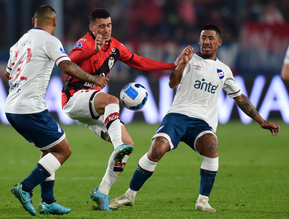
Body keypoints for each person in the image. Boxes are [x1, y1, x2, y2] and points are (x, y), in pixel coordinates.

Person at [109, 25, 280, 212]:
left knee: (212, 146)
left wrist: (261, 121)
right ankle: (129, 195)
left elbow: (240, 98)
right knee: (157, 149)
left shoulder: (224, 70)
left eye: (210, 38)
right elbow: (172, 83)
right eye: (203, 38)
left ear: (219, 42)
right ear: (199, 40)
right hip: (177, 116)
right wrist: (182, 62)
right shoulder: (188, 59)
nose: (206, 41)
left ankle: (203, 201)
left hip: (202, 123)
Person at [61, 8, 184, 211]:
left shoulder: (115, 46)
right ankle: (117, 145)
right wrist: (93, 50)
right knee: (112, 101)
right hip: (74, 98)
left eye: (109, 25)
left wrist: (172, 65)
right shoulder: (86, 42)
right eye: (101, 26)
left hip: (91, 105)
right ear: (91, 28)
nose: (106, 30)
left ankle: (102, 191)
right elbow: (69, 60)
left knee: (129, 143)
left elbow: (140, 62)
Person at [5, 5, 108, 216]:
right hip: (30, 108)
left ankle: (48, 201)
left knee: (48, 149)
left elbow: (9, 74)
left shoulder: (17, 44)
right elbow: (67, 66)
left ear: (33, 21)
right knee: (63, 150)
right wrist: (94, 78)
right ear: (54, 22)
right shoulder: (50, 41)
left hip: (11, 107)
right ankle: (25, 188)